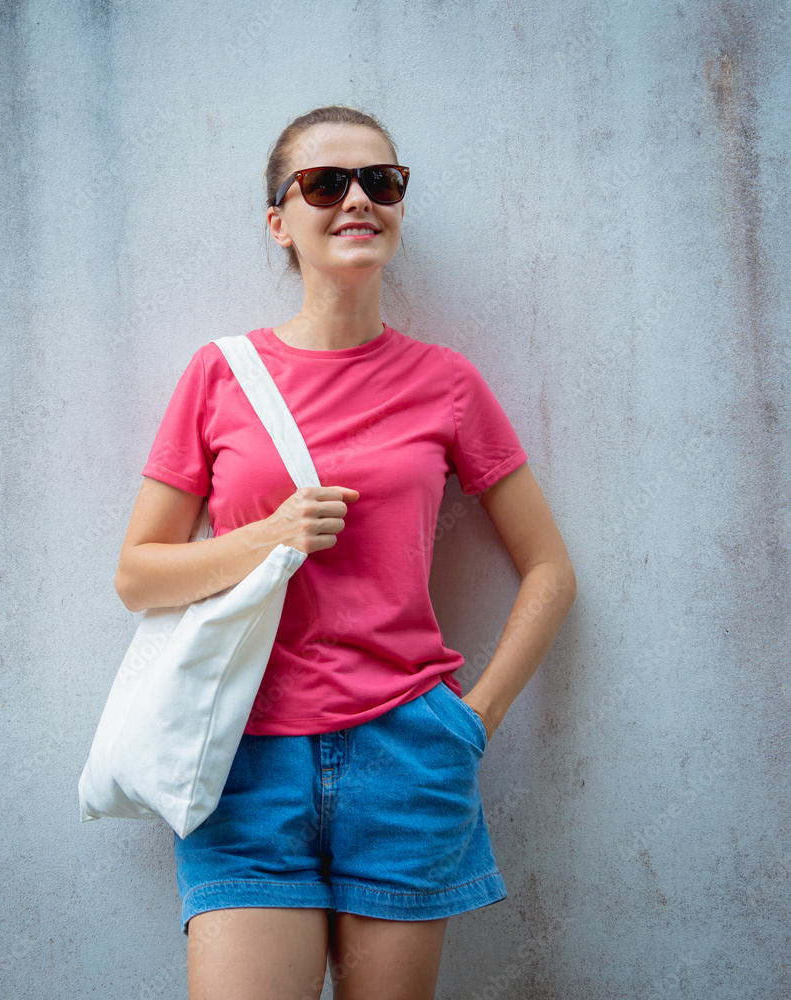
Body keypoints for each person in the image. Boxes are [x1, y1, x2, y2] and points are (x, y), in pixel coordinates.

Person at [114, 105, 577, 1000]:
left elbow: (550, 570)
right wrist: (266, 537)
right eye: (327, 183)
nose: (359, 198)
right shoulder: (220, 374)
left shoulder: (446, 382)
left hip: (407, 755)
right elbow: (139, 573)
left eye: (382, 181)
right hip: (242, 758)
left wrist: (470, 722)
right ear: (280, 221)